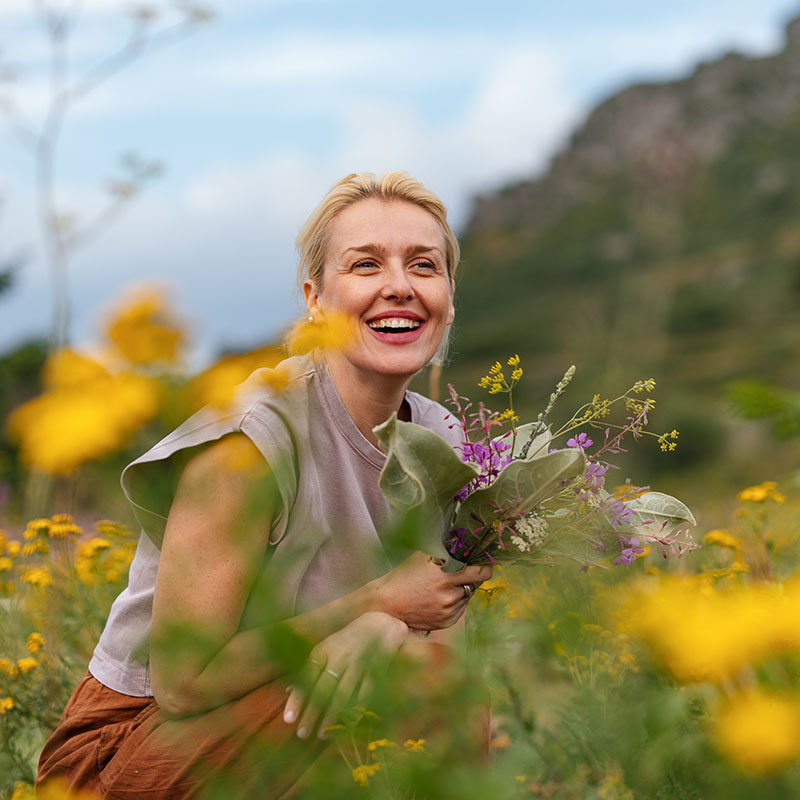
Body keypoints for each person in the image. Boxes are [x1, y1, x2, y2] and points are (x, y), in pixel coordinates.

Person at [36, 171, 492, 798]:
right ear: (315, 297)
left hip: (278, 722)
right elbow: (183, 680)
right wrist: (374, 610)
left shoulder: (440, 439)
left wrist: (392, 629)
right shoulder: (253, 438)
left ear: (447, 292)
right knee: (410, 676)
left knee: (442, 683)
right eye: (364, 266)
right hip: (125, 750)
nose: (399, 287)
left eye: (424, 265)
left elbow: (443, 640)